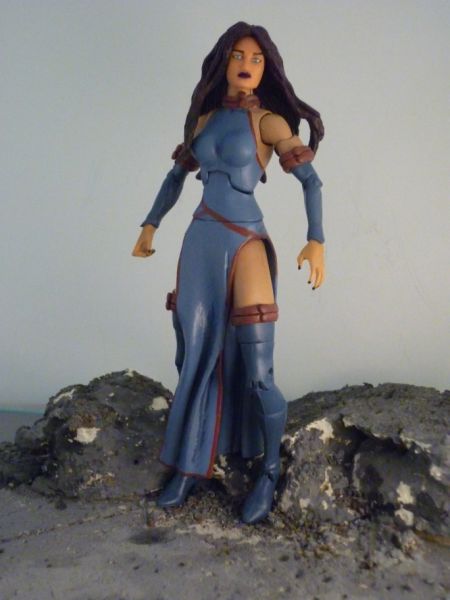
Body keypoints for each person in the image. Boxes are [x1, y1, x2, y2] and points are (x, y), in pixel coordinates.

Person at [132, 22, 325, 524]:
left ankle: (268, 470)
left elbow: (310, 181)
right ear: (224, 61)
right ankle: (191, 464)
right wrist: (150, 224)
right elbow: (175, 177)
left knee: (258, 372)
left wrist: (316, 240)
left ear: (267, 68)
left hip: (246, 242)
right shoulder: (205, 120)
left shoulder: (269, 123)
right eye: (238, 55)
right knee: (194, 356)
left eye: (257, 58)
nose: (247, 64)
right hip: (200, 240)